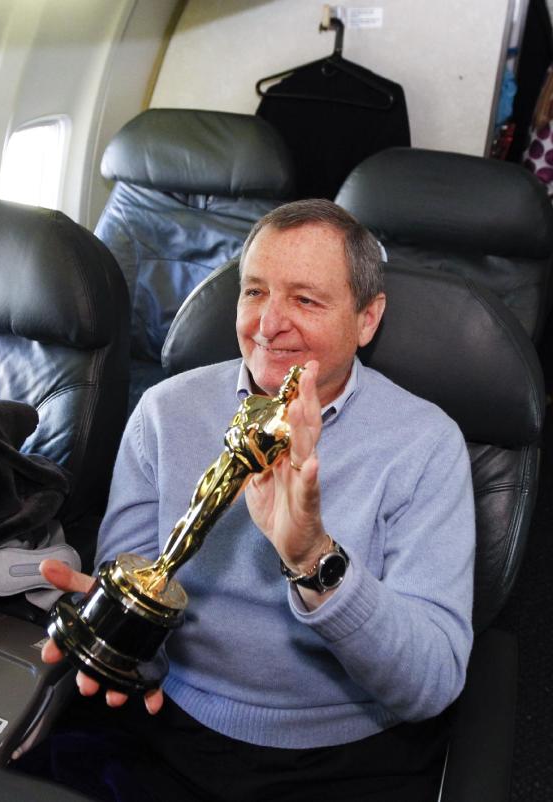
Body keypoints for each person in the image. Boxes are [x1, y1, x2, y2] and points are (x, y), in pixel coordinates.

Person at [32, 199, 475, 800]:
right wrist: (123, 644)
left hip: (347, 752)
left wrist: (315, 558)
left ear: (367, 319)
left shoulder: (426, 444)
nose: (268, 324)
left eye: (306, 300)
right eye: (254, 292)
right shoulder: (164, 412)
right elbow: (141, 587)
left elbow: (431, 682)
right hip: (171, 724)